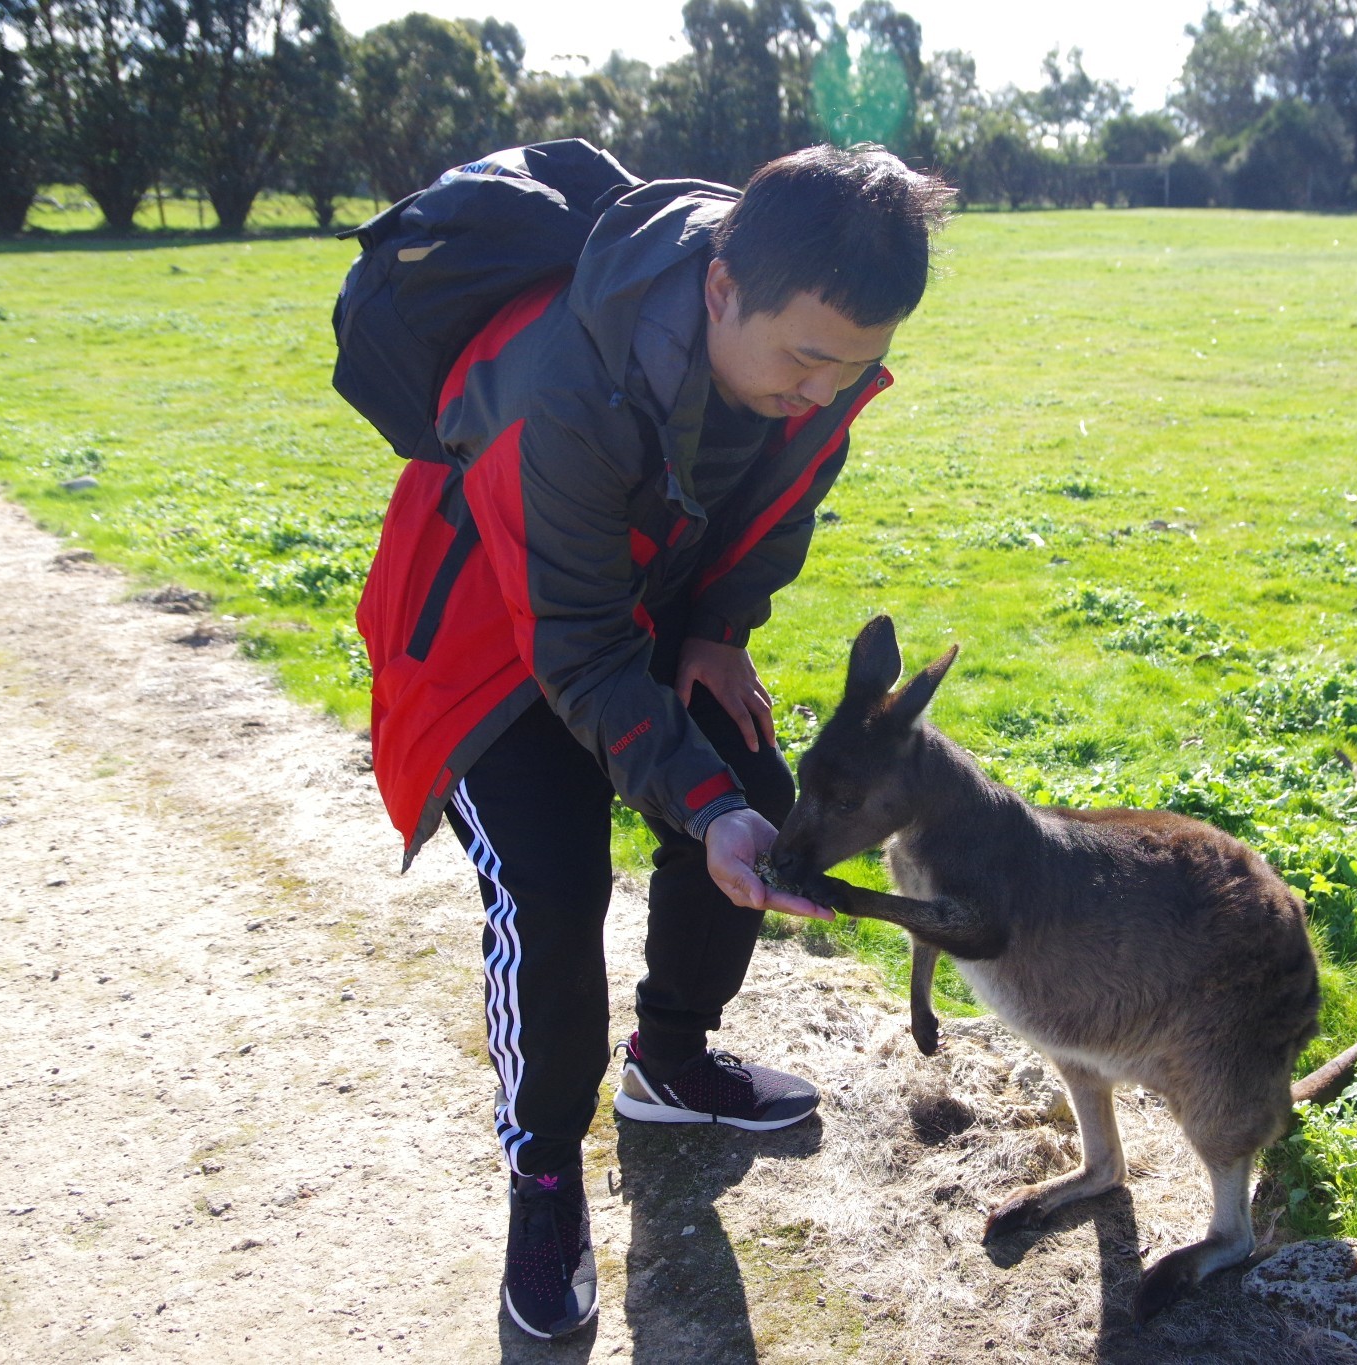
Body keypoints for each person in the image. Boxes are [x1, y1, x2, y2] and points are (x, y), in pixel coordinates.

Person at [353, 143, 952, 1340]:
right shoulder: (553, 388)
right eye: (807, 360)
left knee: (754, 805)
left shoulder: (805, 365)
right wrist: (697, 796)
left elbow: (776, 511)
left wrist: (719, 629)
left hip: (635, 608)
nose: (825, 394)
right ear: (721, 287)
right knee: (553, 884)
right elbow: (571, 649)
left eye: (857, 368)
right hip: (485, 650)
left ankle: (669, 1063)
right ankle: (543, 1175)